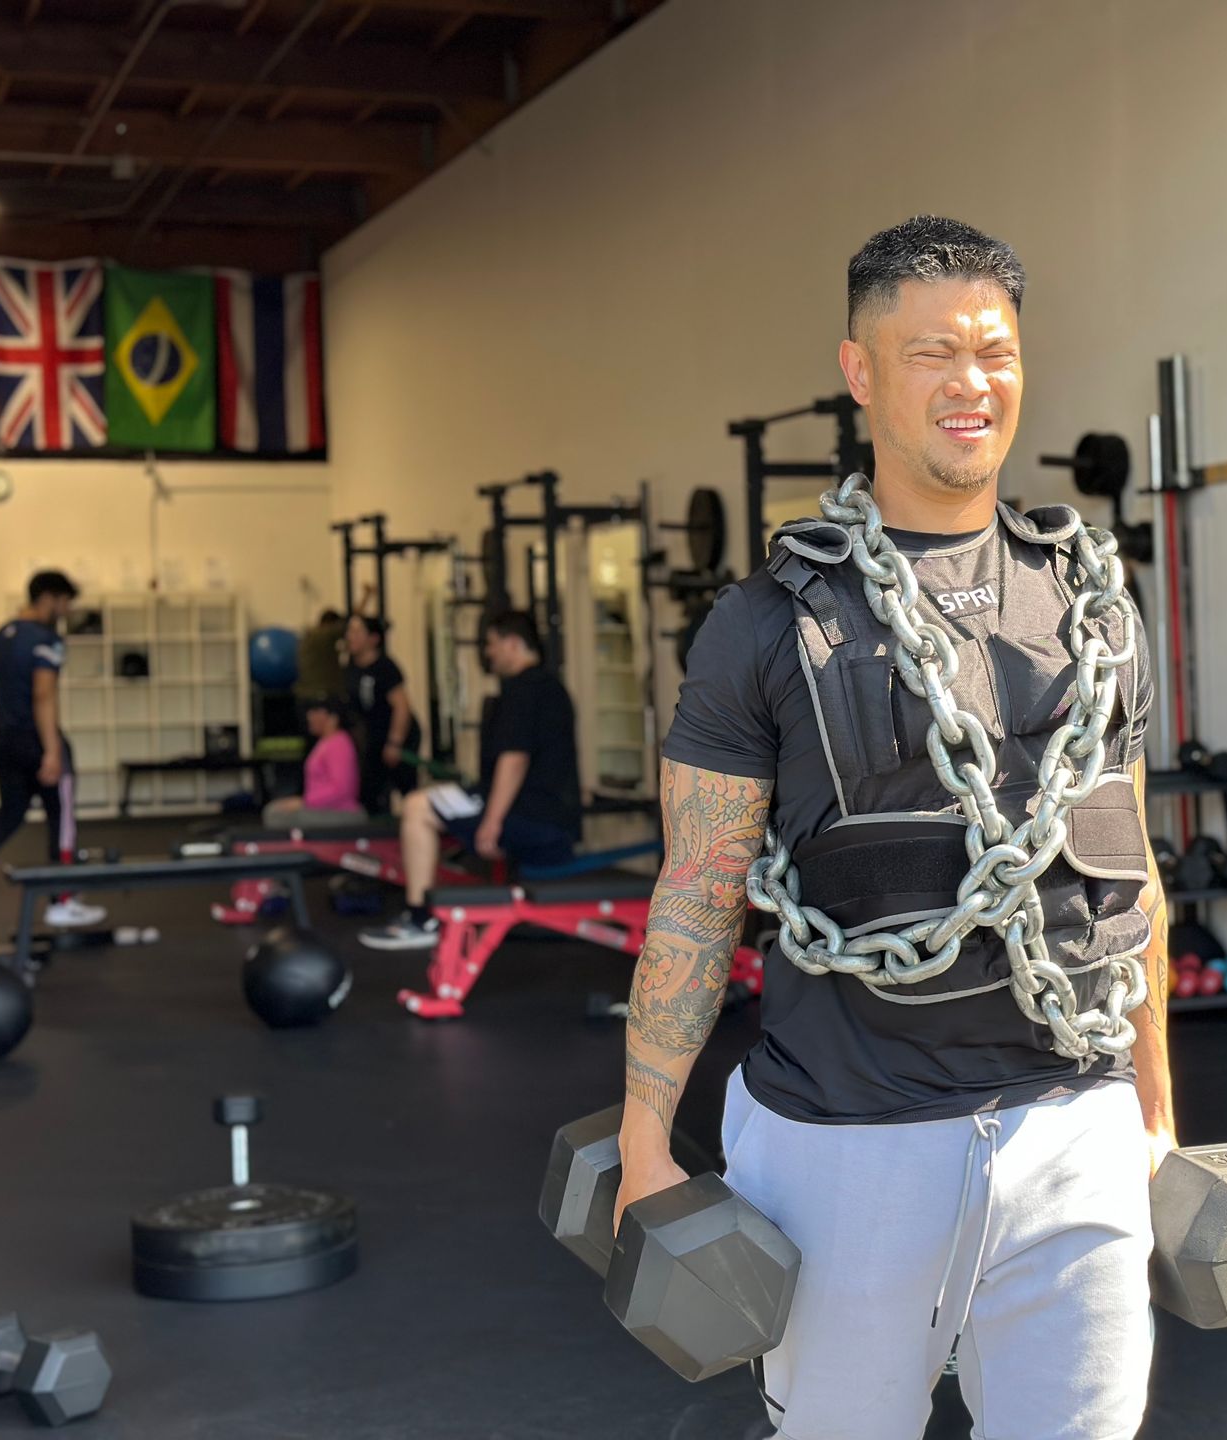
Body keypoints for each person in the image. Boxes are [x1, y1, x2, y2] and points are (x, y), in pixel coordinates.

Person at [614, 217, 1169, 1439]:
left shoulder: (1094, 607)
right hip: (847, 1146)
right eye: (931, 354)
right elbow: (700, 889)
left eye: (996, 351)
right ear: (861, 372)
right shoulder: (764, 624)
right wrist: (646, 1143)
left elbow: (1132, 885)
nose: (972, 383)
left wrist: (1156, 1115)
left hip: (1073, 1124)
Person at [358, 610, 580, 950]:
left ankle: (422, 919)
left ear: (513, 643)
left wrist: (491, 823)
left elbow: (515, 759)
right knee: (427, 800)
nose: (487, 653)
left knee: (417, 807)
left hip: (531, 816)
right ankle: (424, 912)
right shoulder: (552, 688)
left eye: (491, 645)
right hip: (550, 814)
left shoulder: (522, 690)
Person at [0, 569, 104, 928]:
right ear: (49, 598)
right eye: (65, 602)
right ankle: (63, 901)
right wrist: (52, 752)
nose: (67, 611)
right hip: (38, 740)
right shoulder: (45, 640)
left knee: (9, 819)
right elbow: (43, 696)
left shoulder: (2, 636)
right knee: (61, 820)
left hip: (5, 740)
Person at [342, 613, 418, 813]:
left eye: (357, 631)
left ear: (373, 639)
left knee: (406, 788)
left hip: (399, 734)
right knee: (369, 791)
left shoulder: (385, 667)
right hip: (373, 738)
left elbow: (402, 707)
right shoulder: (351, 668)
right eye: (350, 631)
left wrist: (395, 743)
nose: (351, 636)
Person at [262, 695, 365, 829]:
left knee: (275, 815)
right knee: (274, 810)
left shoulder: (339, 744)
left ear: (332, 718)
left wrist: (304, 802)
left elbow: (341, 789)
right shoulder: (325, 742)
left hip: (341, 812)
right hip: (322, 808)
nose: (309, 716)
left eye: (316, 712)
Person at [296, 608, 347, 703]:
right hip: (322, 694)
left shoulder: (312, 636)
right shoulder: (324, 634)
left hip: (306, 693)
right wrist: (366, 598)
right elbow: (347, 626)